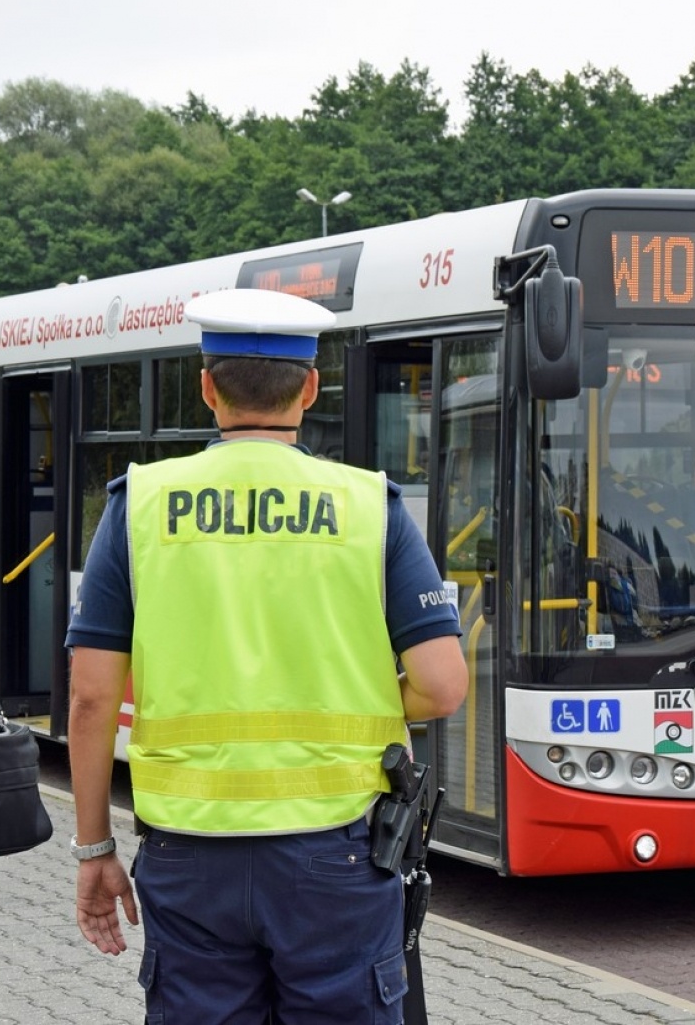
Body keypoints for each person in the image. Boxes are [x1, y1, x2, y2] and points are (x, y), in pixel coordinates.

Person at [65, 288, 469, 1024]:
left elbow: (91, 698)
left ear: (206, 386)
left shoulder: (141, 503)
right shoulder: (368, 504)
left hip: (189, 857)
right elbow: (442, 686)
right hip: (336, 858)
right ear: (311, 389)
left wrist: (94, 848)